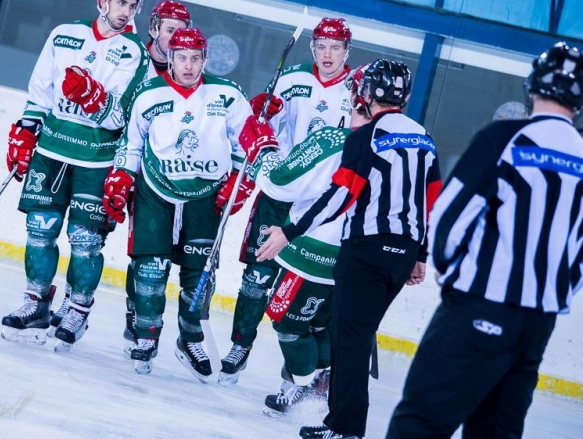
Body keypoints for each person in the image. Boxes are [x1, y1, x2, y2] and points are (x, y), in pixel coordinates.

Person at [386, 42, 583, 438]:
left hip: (481, 304)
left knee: (421, 420)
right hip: (538, 321)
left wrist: (452, 270)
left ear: (533, 85)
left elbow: (451, 210)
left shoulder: (507, 137)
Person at [256, 59, 442, 439]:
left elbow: (340, 196)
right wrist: (420, 255)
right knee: (355, 333)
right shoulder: (424, 137)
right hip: (402, 252)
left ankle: (344, 428)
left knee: (350, 339)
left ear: (368, 94)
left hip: (367, 250)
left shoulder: (366, 136)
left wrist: (289, 232)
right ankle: (341, 422)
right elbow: (432, 201)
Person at [0, 0, 149, 352]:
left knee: (85, 240)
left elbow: (120, 118)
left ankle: (77, 311)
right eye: (119, 2)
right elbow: (40, 91)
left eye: (132, 6)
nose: (125, 12)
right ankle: (35, 304)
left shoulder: (134, 52)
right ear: (102, 0)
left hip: (96, 159)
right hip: (51, 151)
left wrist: (91, 96)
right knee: (40, 228)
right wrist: (26, 131)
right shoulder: (64, 33)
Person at [103, 27, 254, 378]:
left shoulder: (227, 94)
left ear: (205, 59)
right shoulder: (148, 93)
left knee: (198, 274)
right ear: (170, 57)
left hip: (206, 196)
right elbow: (132, 143)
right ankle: (147, 336)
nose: (188, 65)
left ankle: (190, 337)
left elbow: (246, 145)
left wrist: (239, 178)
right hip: (156, 192)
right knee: (151, 270)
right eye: (182, 57)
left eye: (195, 58)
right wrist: (123, 176)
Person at [219, 17, 354, 384]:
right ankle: (240, 346)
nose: (328, 54)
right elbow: (265, 131)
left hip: (323, 204)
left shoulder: (356, 90)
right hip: (282, 190)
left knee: (306, 289)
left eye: (335, 48)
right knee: (257, 277)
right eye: (322, 46)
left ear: (347, 51)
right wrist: (266, 112)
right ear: (312, 47)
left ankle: (298, 375)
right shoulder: (292, 79)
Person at [235, 67, 374, 417]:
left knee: (287, 320)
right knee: (325, 322)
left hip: (313, 251)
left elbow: (279, 182)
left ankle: (303, 383)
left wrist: (262, 146)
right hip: (359, 259)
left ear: (355, 97)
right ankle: (320, 378)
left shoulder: (330, 139)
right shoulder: (400, 145)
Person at [120, 0, 192, 355]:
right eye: (169, 29)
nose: (175, 36)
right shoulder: (133, 59)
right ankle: (128, 308)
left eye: (181, 30)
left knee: (152, 253)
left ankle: (139, 313)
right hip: (121, 160)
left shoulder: (187, 69)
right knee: (129, 248)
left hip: (164, 176)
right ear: (154, 29)